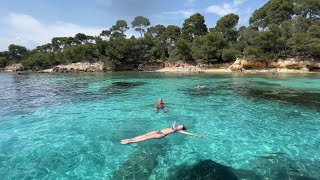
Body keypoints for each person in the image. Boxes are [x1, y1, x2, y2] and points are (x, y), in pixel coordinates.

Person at [120, 121, 204, 144]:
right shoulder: (174, 127)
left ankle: (129, 142)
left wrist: (197, 135)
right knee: (144, 135)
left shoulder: (180, 131)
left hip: (161, 135)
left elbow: (188, 133)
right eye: (180, 125)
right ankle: (130, 139)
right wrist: (174, 123)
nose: (179, 126)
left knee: (145, 138)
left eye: (181, 126)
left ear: (182, 128)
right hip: (158, 131)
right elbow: (173, 126)